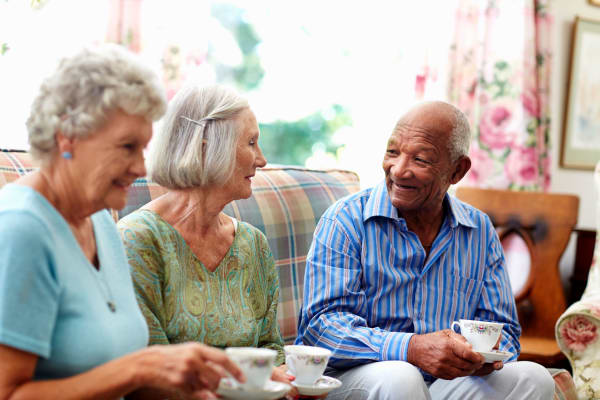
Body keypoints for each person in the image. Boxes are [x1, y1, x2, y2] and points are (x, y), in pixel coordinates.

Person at [0, 45, 244, 400]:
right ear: (67, 137)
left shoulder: (100, 220)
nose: (141, 168)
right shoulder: (22, 230)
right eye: (127, 147)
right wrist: (142, 367)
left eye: (143, 149)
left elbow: (115, 373)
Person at [295, 101, 555, 399]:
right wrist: (411, 348)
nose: (398, 170)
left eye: (420, 159)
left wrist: (481, 354)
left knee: (535, 378)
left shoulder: (479, 231)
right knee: (401, 377)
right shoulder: (345, 220)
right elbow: (323, 328)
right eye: (393, 152)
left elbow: (504, 331)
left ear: (457, 171)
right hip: (360, 377)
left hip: (445, 382)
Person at [117, 84, 292, 388]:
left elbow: (271, 349)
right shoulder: (138, 240)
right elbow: (149, 371)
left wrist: (289, 381)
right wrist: (249, 381)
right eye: (251, 142)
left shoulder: (253, 244)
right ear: (206, 147)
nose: (261, 160)